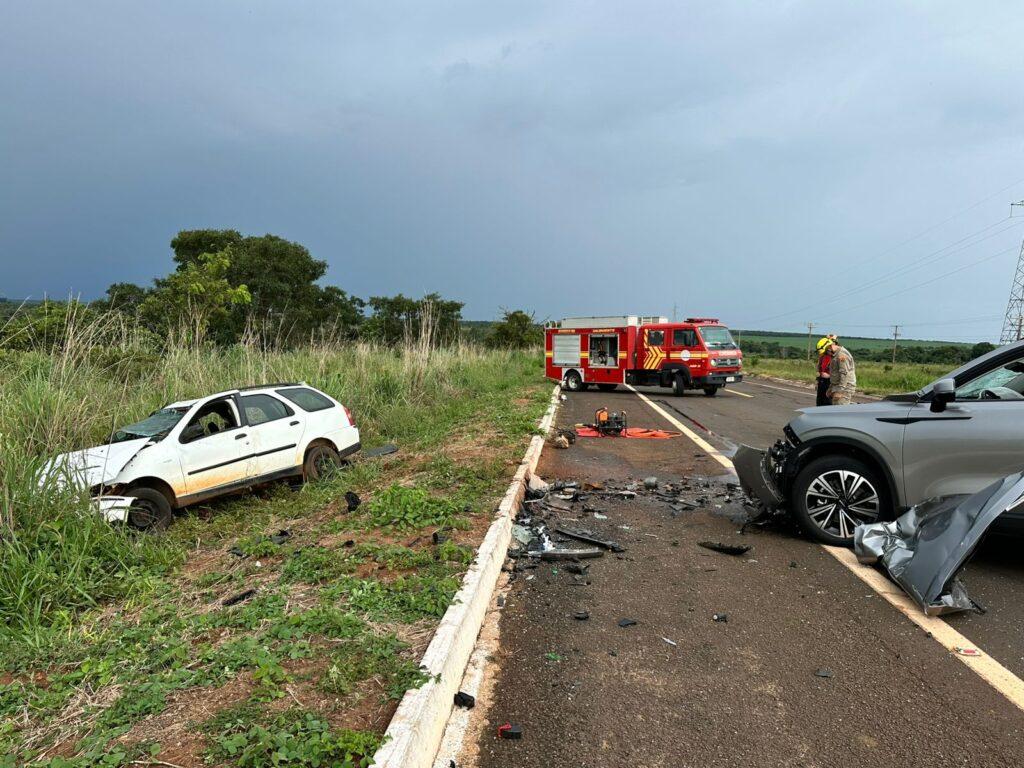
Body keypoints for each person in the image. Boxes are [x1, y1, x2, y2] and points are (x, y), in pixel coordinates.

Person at [826, 338, 857, 405]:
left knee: (840, 410)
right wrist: (831, 387)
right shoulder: (835, 355)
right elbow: (835, 374)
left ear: (830, 346)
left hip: (845, 387)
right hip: (838, 386)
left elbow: (844, 374)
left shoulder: (841, 355)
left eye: (826, 351)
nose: (827, 354)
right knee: (835, 408)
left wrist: (840, 391)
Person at [814, 336, 834, 406]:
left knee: (828, 402)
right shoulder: (823, 357)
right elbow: (819, 369)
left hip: (831, 382)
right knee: (819, 402)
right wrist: (817, 381)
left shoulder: (836, 357)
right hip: (822, 382)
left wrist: (829, 376)